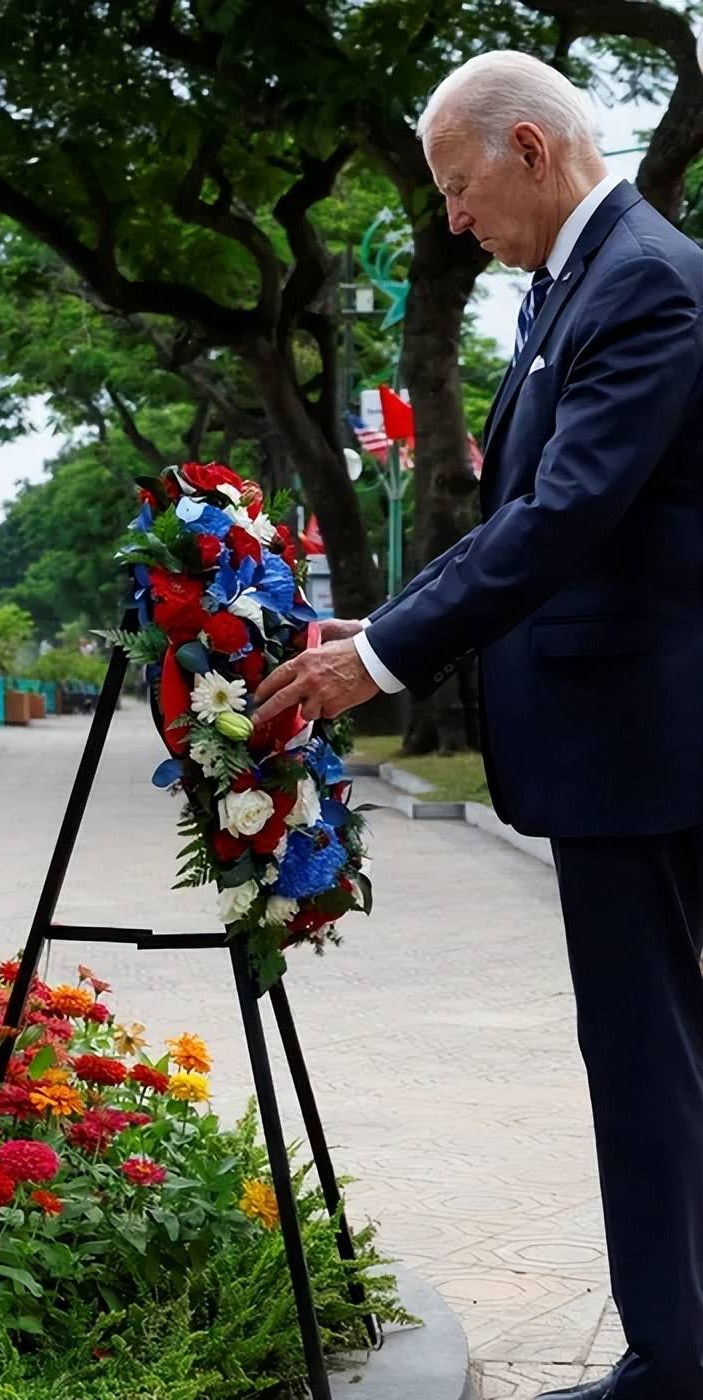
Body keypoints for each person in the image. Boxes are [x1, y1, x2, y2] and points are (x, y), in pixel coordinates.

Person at [254, 52, 703, 1400]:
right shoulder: (577, 282)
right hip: (621, 742)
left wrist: (383, 658)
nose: (451, 218)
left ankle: (675, 1367)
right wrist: (373, 630)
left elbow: (566, 517)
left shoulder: (644, 284)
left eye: (457, 187)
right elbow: (517, 517)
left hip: (646, 744)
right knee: (648, 1050)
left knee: (648, 1056)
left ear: (527, 146)